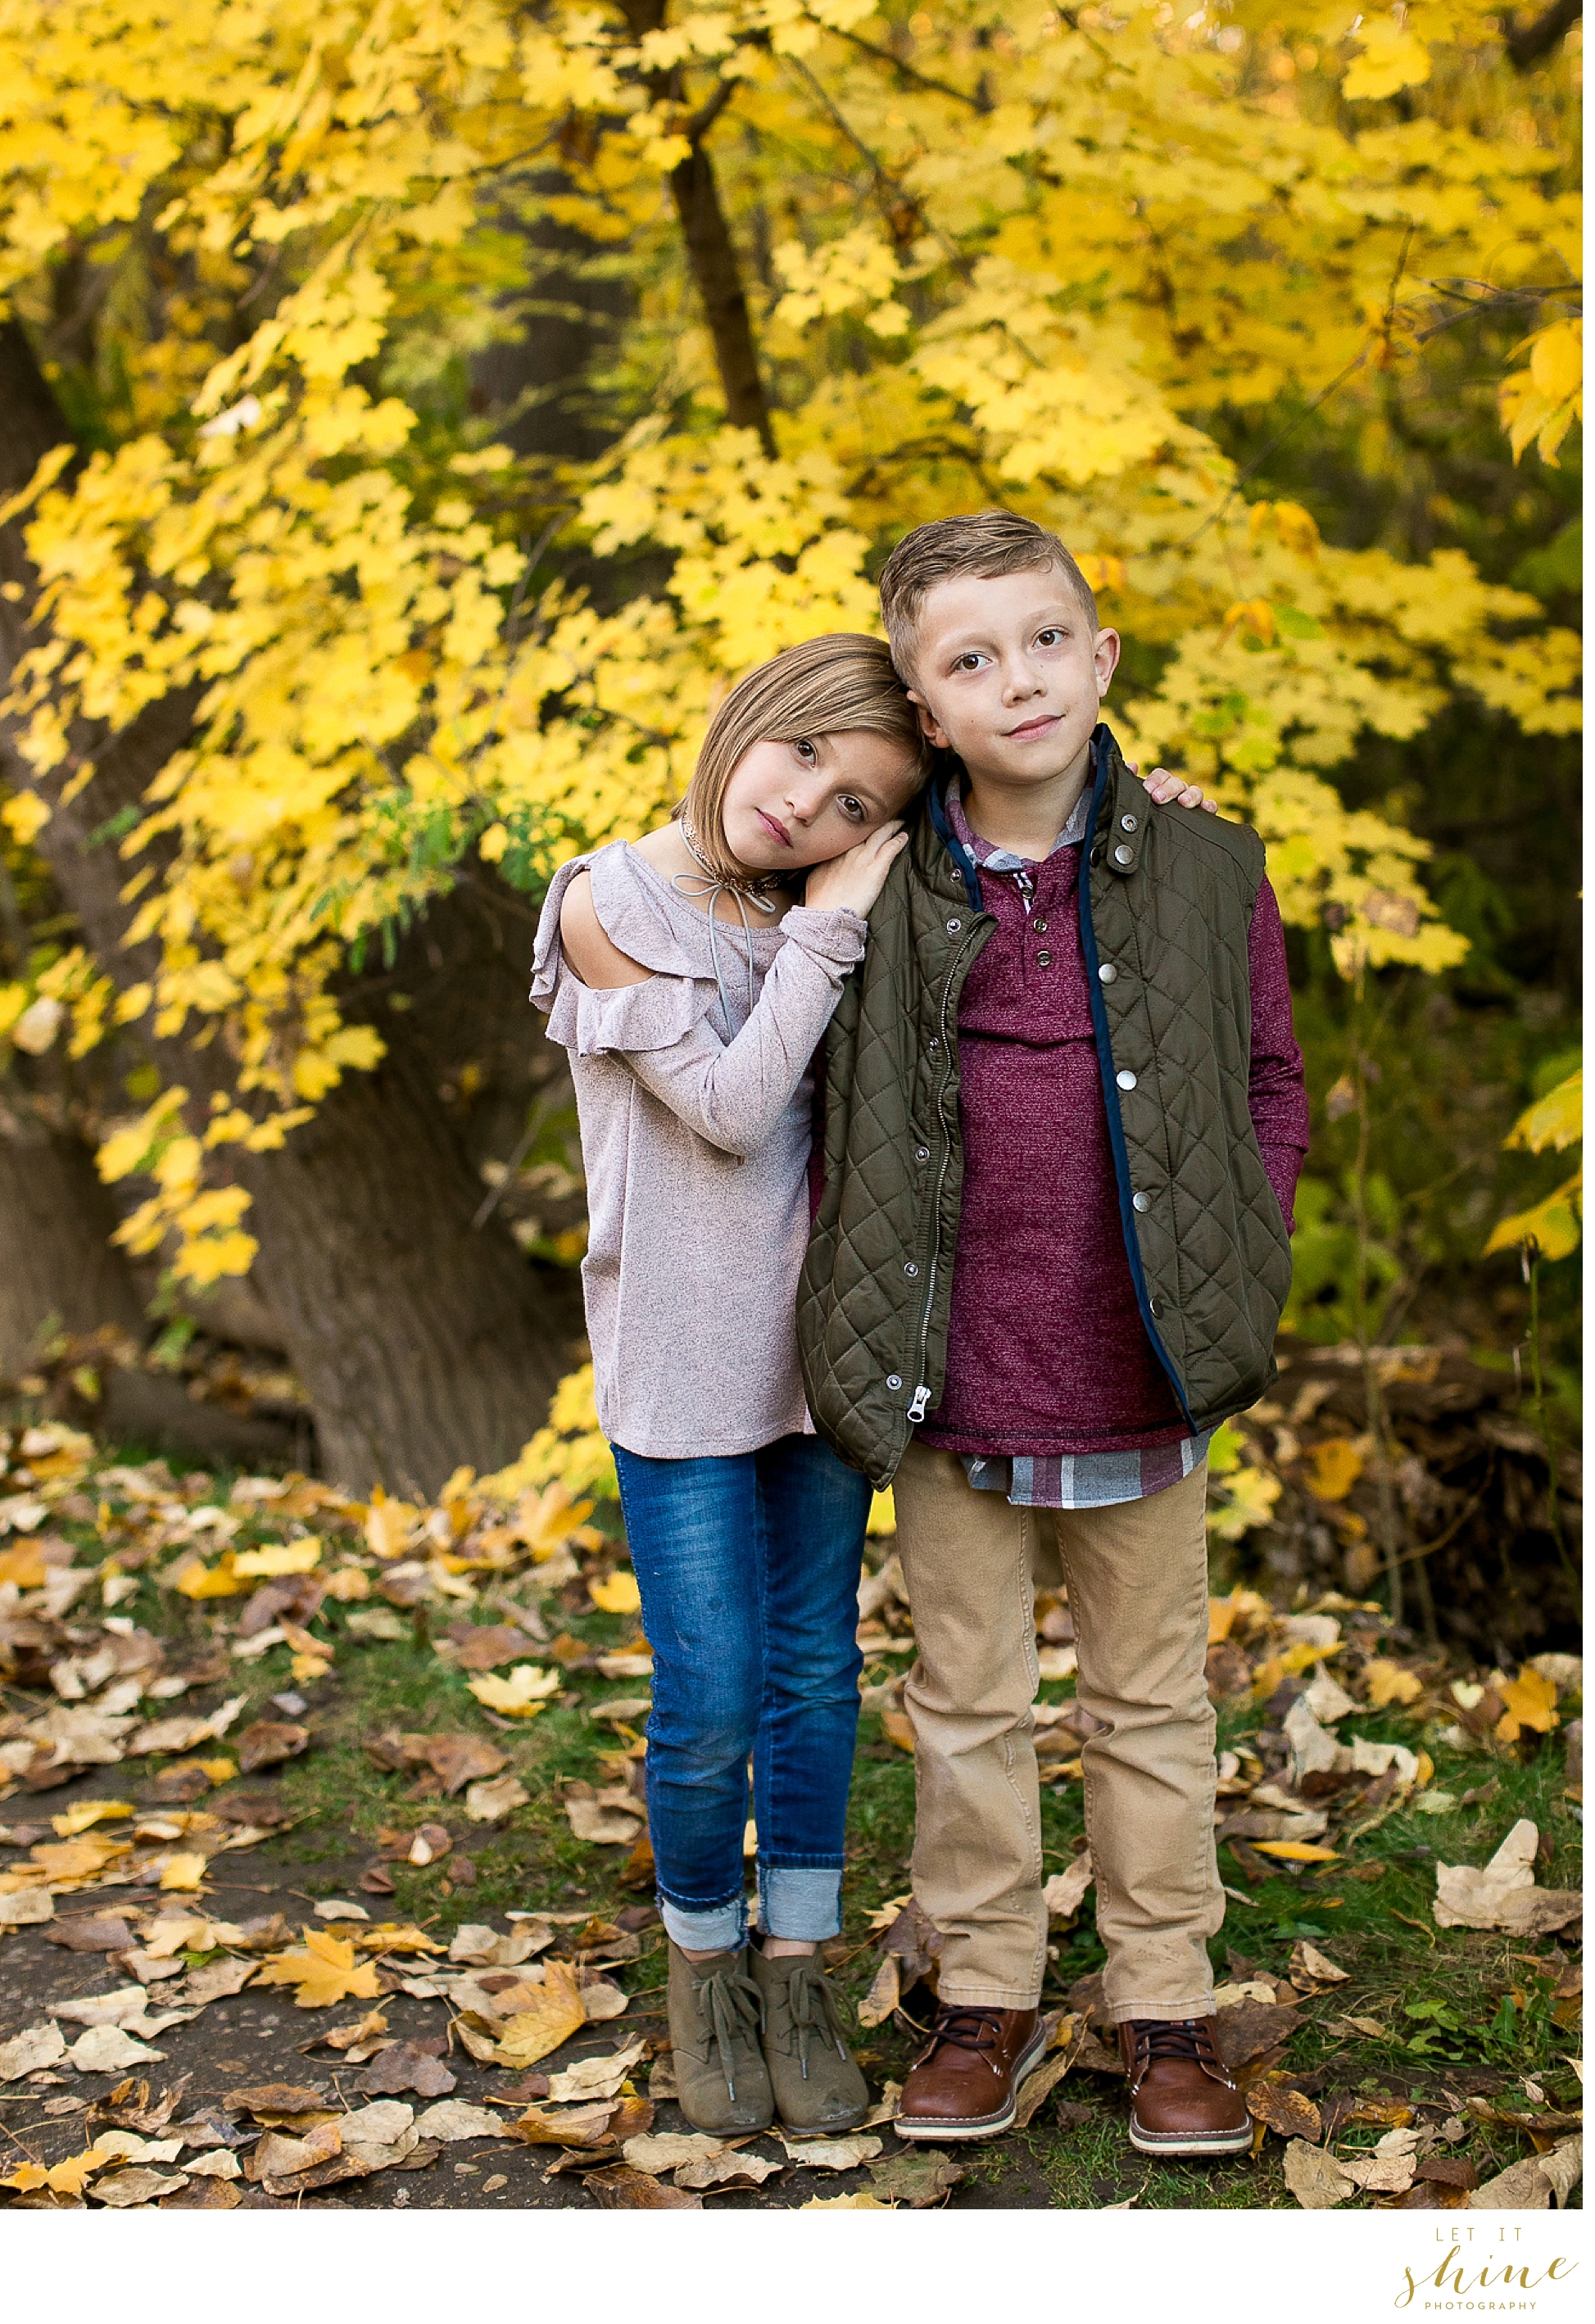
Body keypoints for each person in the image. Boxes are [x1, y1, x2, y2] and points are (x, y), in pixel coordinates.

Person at [529, 627, 1215, 2141]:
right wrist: (831, 926)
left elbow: (1034, 871)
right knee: (707, 1699)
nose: (805, 808)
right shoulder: (608, 900)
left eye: (855, 803)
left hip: (834, 1359)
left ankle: (797, 1966)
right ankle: (703, 1965)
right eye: (799, 758)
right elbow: (723, 1105)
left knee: (817, 1683)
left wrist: (1140, 810)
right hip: (682, 1376)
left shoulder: (863, 901)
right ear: (743, 722)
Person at [796, 510, 1308, 2156]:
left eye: (1041, 639)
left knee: (1150, 1700)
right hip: (946, 1365)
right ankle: (988, 1990)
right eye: (966, 659)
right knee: (966, 1695)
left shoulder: (1208, 863)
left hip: (1140, 1361)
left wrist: (1251, 1237)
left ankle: (1165, 2000)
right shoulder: (868, 884)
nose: (1014, 678)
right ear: (923, 711)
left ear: (1099, 656)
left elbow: (1266, 1085)